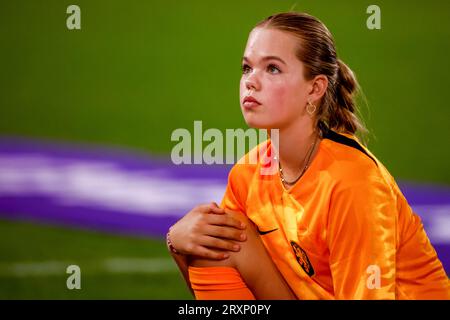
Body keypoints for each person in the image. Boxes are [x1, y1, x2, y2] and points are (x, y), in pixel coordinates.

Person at [167, 12, 450, 300]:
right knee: (215, 240)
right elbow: (221, 275)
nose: (251, 81)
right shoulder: (247, 175)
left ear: (314, 88)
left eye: (273, 69)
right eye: (246, 68)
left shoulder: (353, 183)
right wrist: (176, 244)